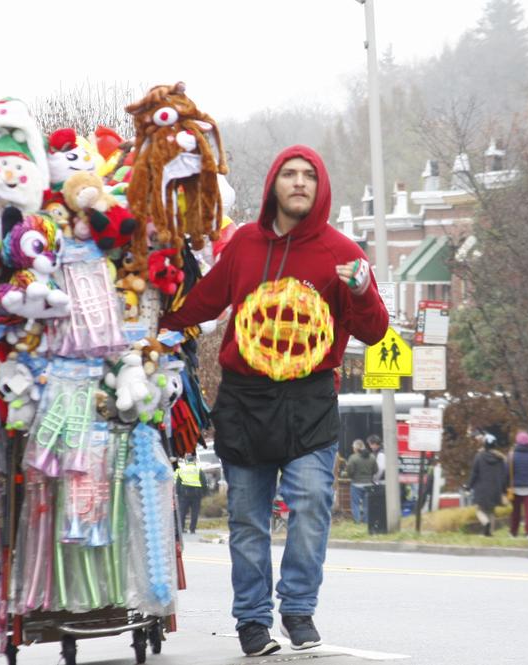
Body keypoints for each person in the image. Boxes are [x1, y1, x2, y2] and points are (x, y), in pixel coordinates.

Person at [161, 145, 388, 656]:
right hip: (246, 400)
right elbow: (204, 302)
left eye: (310, 175)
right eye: (290, 174)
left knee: (310, 504)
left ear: (320, 186)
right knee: (247, 518)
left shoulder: (342, 252)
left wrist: (361, 290)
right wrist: (152, 324)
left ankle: (298, 608)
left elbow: (375, 332)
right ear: (274, 185)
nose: (300, 182)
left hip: (310, 399)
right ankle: (253, 621)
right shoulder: (244, 243)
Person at [467, 429, 507, 536]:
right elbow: (504, 476)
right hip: (495, 489)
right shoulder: (500, 458)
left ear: (485, 445)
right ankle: (490, 533)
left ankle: (486, 523)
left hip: (482, 488)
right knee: (491, 511)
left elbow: (474, 473)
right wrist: (503, 490)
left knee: (480, 510)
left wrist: (469, 486)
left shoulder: (479, 456)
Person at [508, 430, 528, 538]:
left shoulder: (511, 455)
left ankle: (513, 532)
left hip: (515, 487)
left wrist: (506, 487)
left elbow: (507, 472)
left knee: (515, 511)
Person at [344, 439, 378, 523]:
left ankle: (357, 521)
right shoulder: (372, 457)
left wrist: (351, 476)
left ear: (355, 448)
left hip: (356, 484)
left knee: (355, 503)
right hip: (369, 484)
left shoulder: (353, 458)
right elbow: (376, 470)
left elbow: (349, 472)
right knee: (367, 504)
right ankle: (366, 521)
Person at [175, 453, 207, 534]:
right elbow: (203, 481)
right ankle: (192, 529)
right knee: (194, 512)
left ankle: (181, 528)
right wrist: (204, 492)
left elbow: (178, 482)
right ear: (193, 461)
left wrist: (177, 493)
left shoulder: (182, 469)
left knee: (182, 512)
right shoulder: (198, 469)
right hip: (196, 493)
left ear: (186, 461)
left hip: (184, 493)